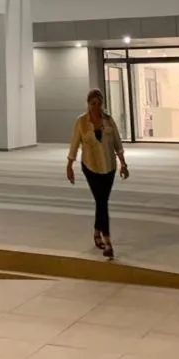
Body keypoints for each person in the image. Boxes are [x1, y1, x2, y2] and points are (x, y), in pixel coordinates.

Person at [67, 88, 129, 259]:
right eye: (93, 103)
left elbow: (117, 143)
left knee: (101, 201)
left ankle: (96, 232)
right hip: (90, 167)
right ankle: (108, 242)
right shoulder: (81, 122)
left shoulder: (109, 121)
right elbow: (74, 144)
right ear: (88, 104)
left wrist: (123, 164)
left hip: (109, 166)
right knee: (102, 201)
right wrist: (69, 165)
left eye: (99, 103)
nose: (96, 107)